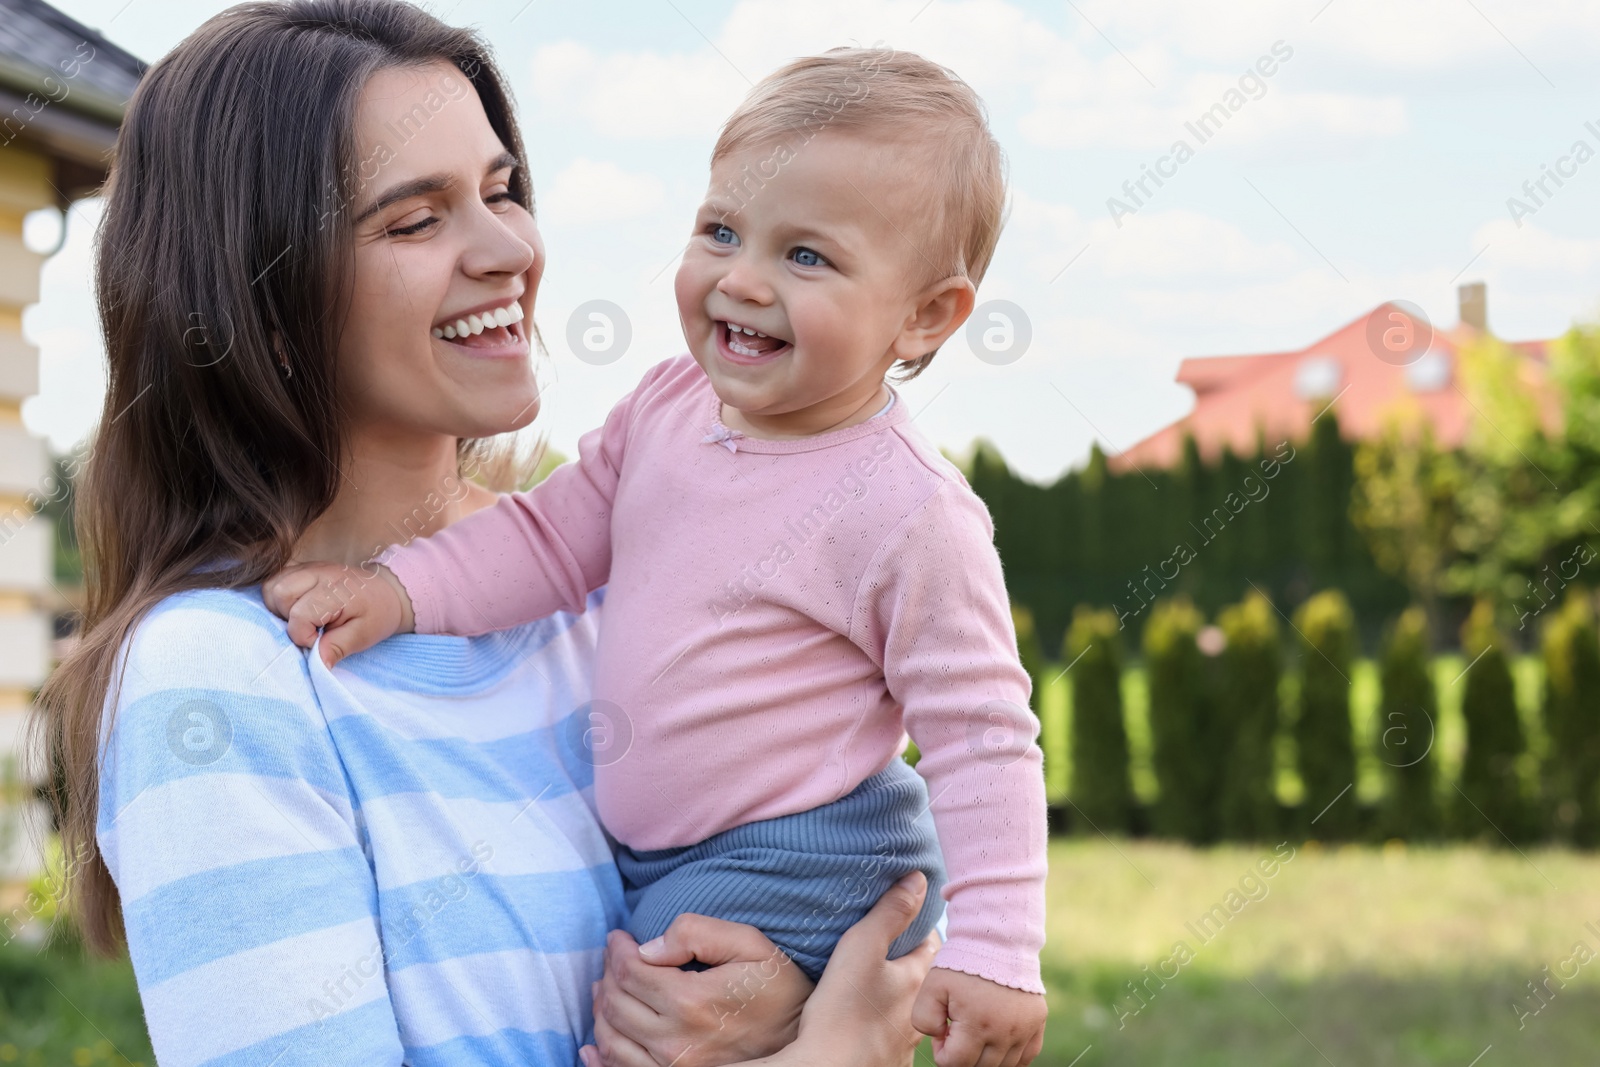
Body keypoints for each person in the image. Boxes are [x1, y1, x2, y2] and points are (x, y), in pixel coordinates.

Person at [33, 4, 937, 1065]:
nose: (510, 248)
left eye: (502, 192)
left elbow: (877, 874)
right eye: (415, 221)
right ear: (258, 309)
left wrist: (797, 982)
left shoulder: (605, 587)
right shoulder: (222, 679)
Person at [267, 47, 1048, 1067]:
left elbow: (983, 735)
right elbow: (547, 537)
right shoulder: (668, 407)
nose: (742, 278)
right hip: (670, 851)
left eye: (806, 256)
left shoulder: (910, 511)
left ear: (925, 315)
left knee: (639, 1030)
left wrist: (997, 948)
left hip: (805, 853)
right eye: (721, 230)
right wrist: (401, 589)